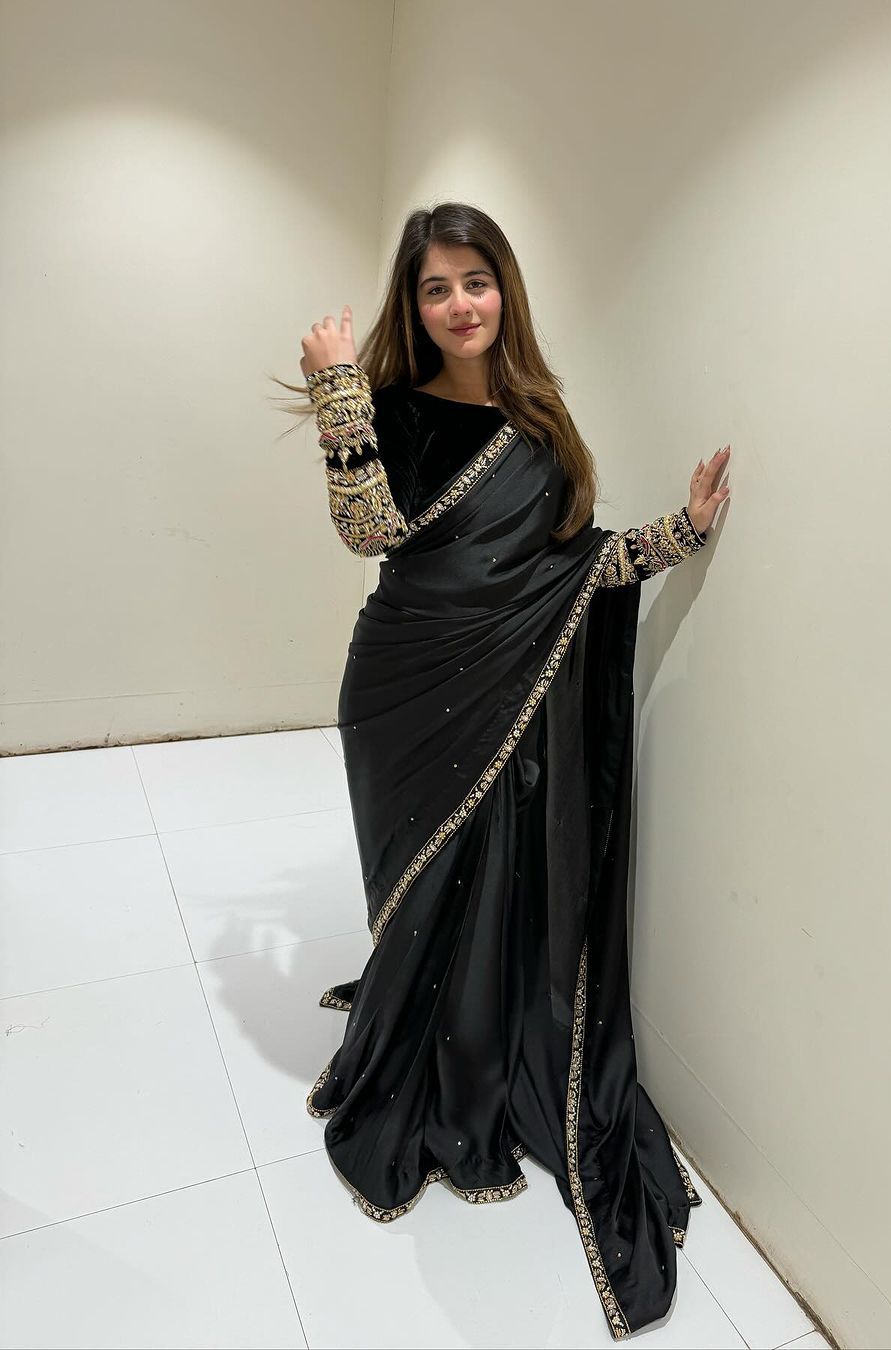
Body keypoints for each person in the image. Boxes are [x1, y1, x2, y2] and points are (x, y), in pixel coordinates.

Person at [270, 202, 731, 1340]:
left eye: (474, 280)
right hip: (402, 694)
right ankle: (414, 1040)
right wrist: (337, 389)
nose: (458, 304)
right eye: (434, 288)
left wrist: (680, 532)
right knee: (419, 884)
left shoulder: (538, 417)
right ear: (412, 304)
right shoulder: (388, 408)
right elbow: (368, 532)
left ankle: (474, 1047)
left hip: (503, 690)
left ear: (504, 288)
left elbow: (572, 567)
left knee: (490, 882)